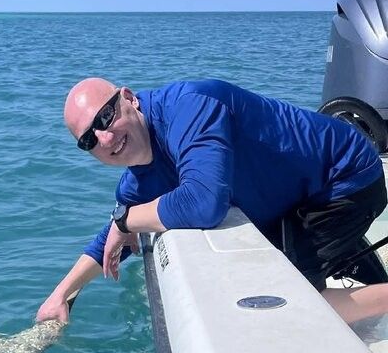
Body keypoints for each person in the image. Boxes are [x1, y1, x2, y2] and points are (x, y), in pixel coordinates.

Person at [36, 77, 388, 325]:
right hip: (293, 195)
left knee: (295, 303)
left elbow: (205, 203)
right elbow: (110, 242)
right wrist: (62, 294)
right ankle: (347, 256)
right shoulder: (139, 177)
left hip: (344, 176)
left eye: (105, 116)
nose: (103, 136)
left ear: (129, 98)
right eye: (88, 140)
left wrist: (126, 221)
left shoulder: (191, 108)